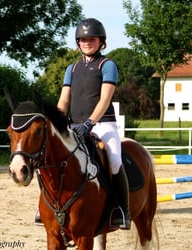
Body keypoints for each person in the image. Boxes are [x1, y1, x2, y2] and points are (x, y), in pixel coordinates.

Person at [56, 18, 131, 230]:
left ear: (101, 41)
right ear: (77, 42)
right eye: (83, 39)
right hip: (74, 125)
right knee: (55, 158)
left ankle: (121, 211)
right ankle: (48, 207)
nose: (87, 42)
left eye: (92, 39)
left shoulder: (107, 65)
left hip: (102, 125)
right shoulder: (71, 69)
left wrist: (90, 122)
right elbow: (63, 101)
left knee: (115, 161)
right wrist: (58, 123)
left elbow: (105, 99)